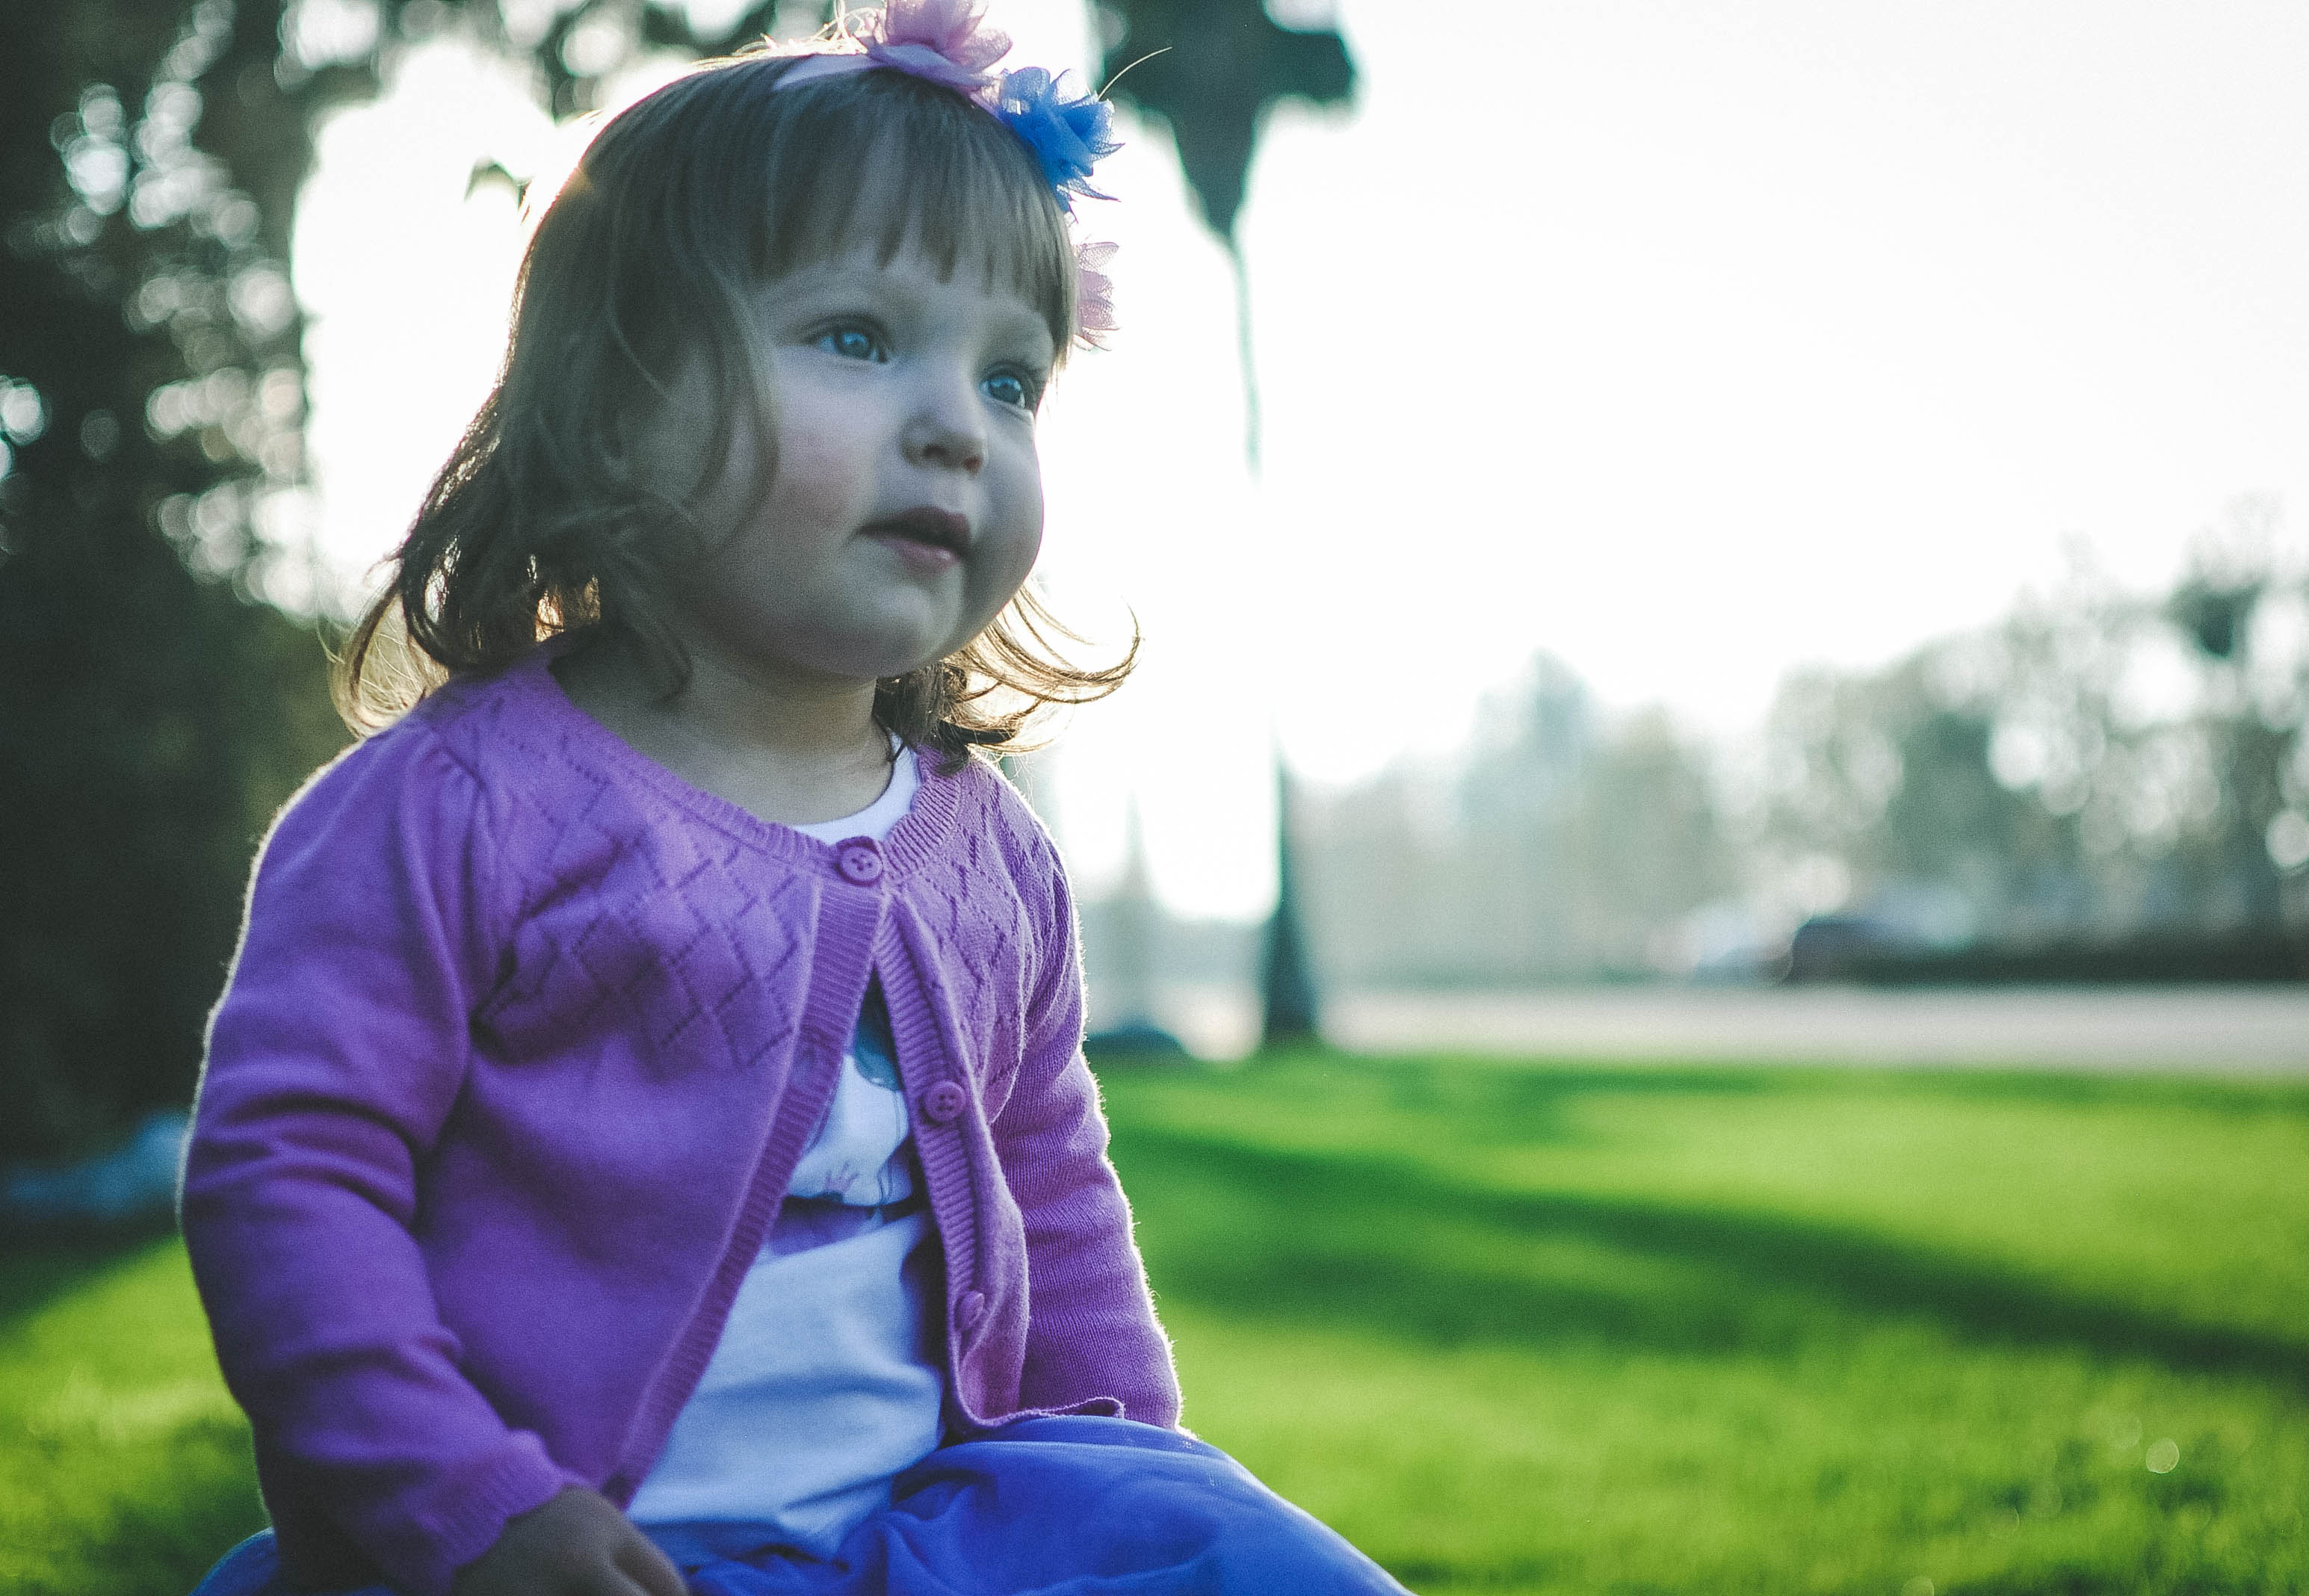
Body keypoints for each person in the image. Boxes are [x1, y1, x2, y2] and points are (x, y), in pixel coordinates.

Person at [179, 5, 1409, 1594]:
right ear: (619, 402)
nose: (956, 426)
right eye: (857, 339)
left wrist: (1108, 1480)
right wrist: (461, 1503)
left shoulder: (989, 854)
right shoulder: (453, 812)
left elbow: (1054, 1193)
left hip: (926, 1536)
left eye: (1013, 378)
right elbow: (290, 1183)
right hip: (559, 1550)